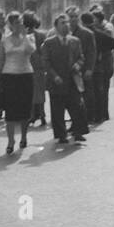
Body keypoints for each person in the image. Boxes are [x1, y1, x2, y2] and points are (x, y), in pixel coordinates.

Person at [0, 11, 37, 154]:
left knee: (25, 108)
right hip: (9, 76)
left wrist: (24, 36)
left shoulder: (29, 37)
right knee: (11, 110)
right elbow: (1, 59)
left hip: (25, 74)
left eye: (20, 22)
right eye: (15, 23)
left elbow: (31, 51)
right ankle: (11, 140)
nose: (19, 25)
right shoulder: (4, 40)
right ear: (10, 25)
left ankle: (24, 136)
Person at [42, 14, 89, 145]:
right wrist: (54, 76)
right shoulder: (49, 43)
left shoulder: (75, 41)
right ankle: (61, 135)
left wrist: (78, 65)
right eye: (62, 23)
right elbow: (46, 62)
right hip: (57, 80)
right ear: (56, 26)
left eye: (67, 22)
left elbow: (81, 57)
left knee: (77, 106)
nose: (66, 25)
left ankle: (78, 132)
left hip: (72, 79)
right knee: (57, 109)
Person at [87, 12, 114, 123]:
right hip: (100, 65)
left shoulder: (105, 30)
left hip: (104, 64)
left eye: (94, 19)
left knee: (102, 90)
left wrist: (101, 52)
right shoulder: (97, 32)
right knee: (100, 90)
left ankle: (102, 114)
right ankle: (100, 114)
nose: (92, 22)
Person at [68, 6, 98, 123]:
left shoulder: (87, 33)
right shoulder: (66, 33)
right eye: (71, 17)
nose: (73, 19)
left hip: (83, 69)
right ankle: (75, 121)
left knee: (86, 96)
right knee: (72, 99)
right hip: (69, 71)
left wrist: (90, 69)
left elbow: (92, 52)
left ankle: (87, 119)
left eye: (76, 17)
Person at [22, 11, 48, 126]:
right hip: (39, 65)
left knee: (30, 92)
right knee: (40, 91)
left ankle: (32, 115)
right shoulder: (42, 34)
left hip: (27, 64)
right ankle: (42, 114)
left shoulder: (23, 35)